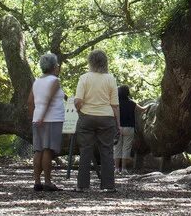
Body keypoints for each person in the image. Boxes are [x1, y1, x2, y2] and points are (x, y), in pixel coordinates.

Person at [73, 49, 120, 193]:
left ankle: (82, 185)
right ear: (105, 62)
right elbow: (115, 105)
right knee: (106, 151)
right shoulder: (110, 79)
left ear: (90, 62)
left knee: (85, 150)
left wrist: (80, 111)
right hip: (106, 118)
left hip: (87, 116)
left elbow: (78, 100)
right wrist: (118, 124)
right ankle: (108, 186)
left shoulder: (84, 78)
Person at [27, 52, 65, 192]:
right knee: (48, 150)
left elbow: (30, 102)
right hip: (52, 119)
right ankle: (48, 182)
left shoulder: (37, 81)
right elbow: (49, 98)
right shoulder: (54, 81)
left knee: (39, 150)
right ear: (54, 66)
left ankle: (37, 182)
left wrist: (35, 117)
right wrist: (43, 116)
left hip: (37, 119)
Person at [115, 84, 138, 173]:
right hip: (129, 128)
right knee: (126, 148)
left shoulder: (116, 103)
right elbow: (142, 109)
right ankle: (124, 169)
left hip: (118, 128)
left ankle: (116, 169)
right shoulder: (132, 103)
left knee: (117, 148)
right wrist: (150, 105)